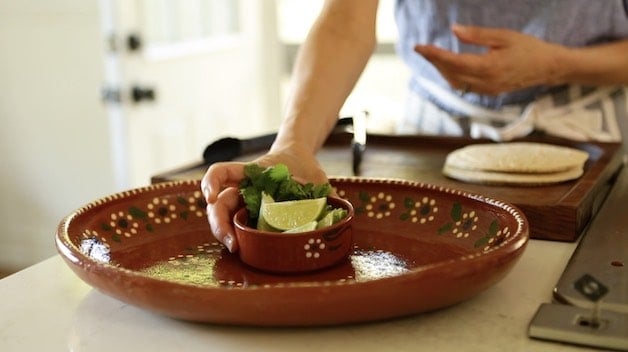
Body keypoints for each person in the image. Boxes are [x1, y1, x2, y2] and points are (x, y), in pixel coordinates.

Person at [201, 0, 628, 252]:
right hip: (435, 126)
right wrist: (294, 144)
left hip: (586, 124)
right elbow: (346, 22)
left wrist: (556, 65)